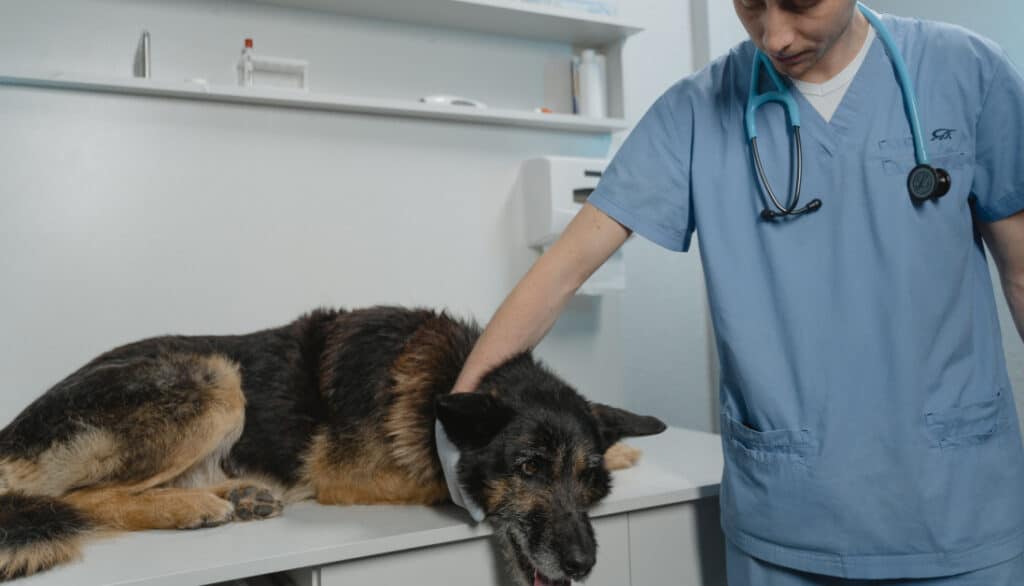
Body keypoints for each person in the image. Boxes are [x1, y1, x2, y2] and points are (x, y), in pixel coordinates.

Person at [449, 0, 1024, 584]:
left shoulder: (967, 72)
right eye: (750, 5)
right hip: (785, 523)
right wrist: (458, 421)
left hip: (959, 512)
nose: (774, 36)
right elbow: (561, 271)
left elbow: (1022, 270)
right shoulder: (696, 110)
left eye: (799, 4)